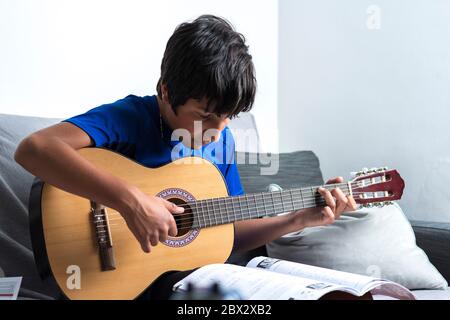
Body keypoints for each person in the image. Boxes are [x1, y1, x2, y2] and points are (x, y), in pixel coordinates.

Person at [14, 15, 357, 299]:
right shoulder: (130, 117)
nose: (218, 130)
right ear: (166, 91)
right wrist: (130, 201)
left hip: (180, 287)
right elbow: (34, 149)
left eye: (228, 117)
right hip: (104, 282)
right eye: (204, 114)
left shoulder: (220, 143)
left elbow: (229, 232)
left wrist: (296, 220)